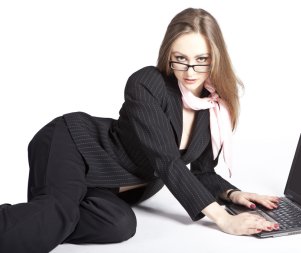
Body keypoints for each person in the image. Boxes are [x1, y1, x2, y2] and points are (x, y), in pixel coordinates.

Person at [0, 8, 279, 253]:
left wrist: (233, 196)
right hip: (74, 144)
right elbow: (167, 161)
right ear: (168, 55)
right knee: (55, 214)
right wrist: (224, 219)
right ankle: (48, 218)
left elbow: (202, 172)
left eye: (201, 59)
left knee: (119, 226)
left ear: (215, 57)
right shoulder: (147, 84)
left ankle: (47, 219)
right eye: (180, 58)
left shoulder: (214, 107)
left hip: (108, 184)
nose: (190, 70)